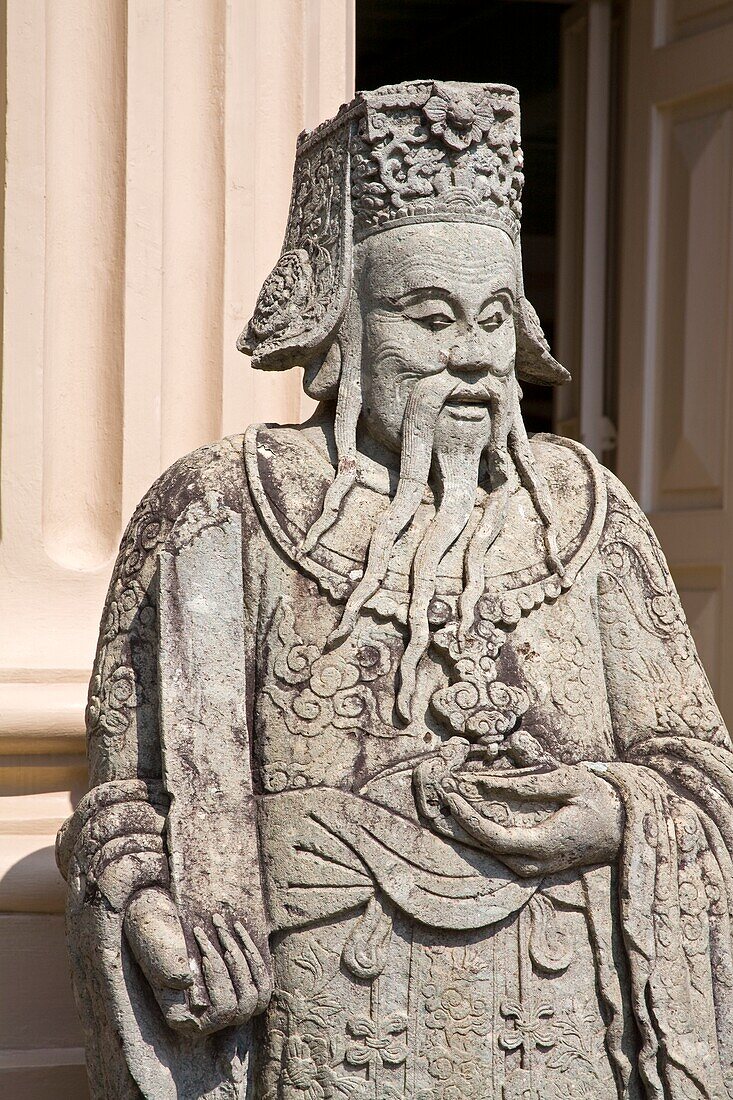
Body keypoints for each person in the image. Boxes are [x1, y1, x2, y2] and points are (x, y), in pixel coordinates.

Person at [57, 80, 733, 1100]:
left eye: (494, 319)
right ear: (342, 324)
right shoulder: (224, 510)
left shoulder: (585, 513)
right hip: (327, 1034)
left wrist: (608, 809)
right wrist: (151, 911)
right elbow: (125, 798)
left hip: (563, 1031)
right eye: (428, 317)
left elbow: (697, 776)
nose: (469, 356)